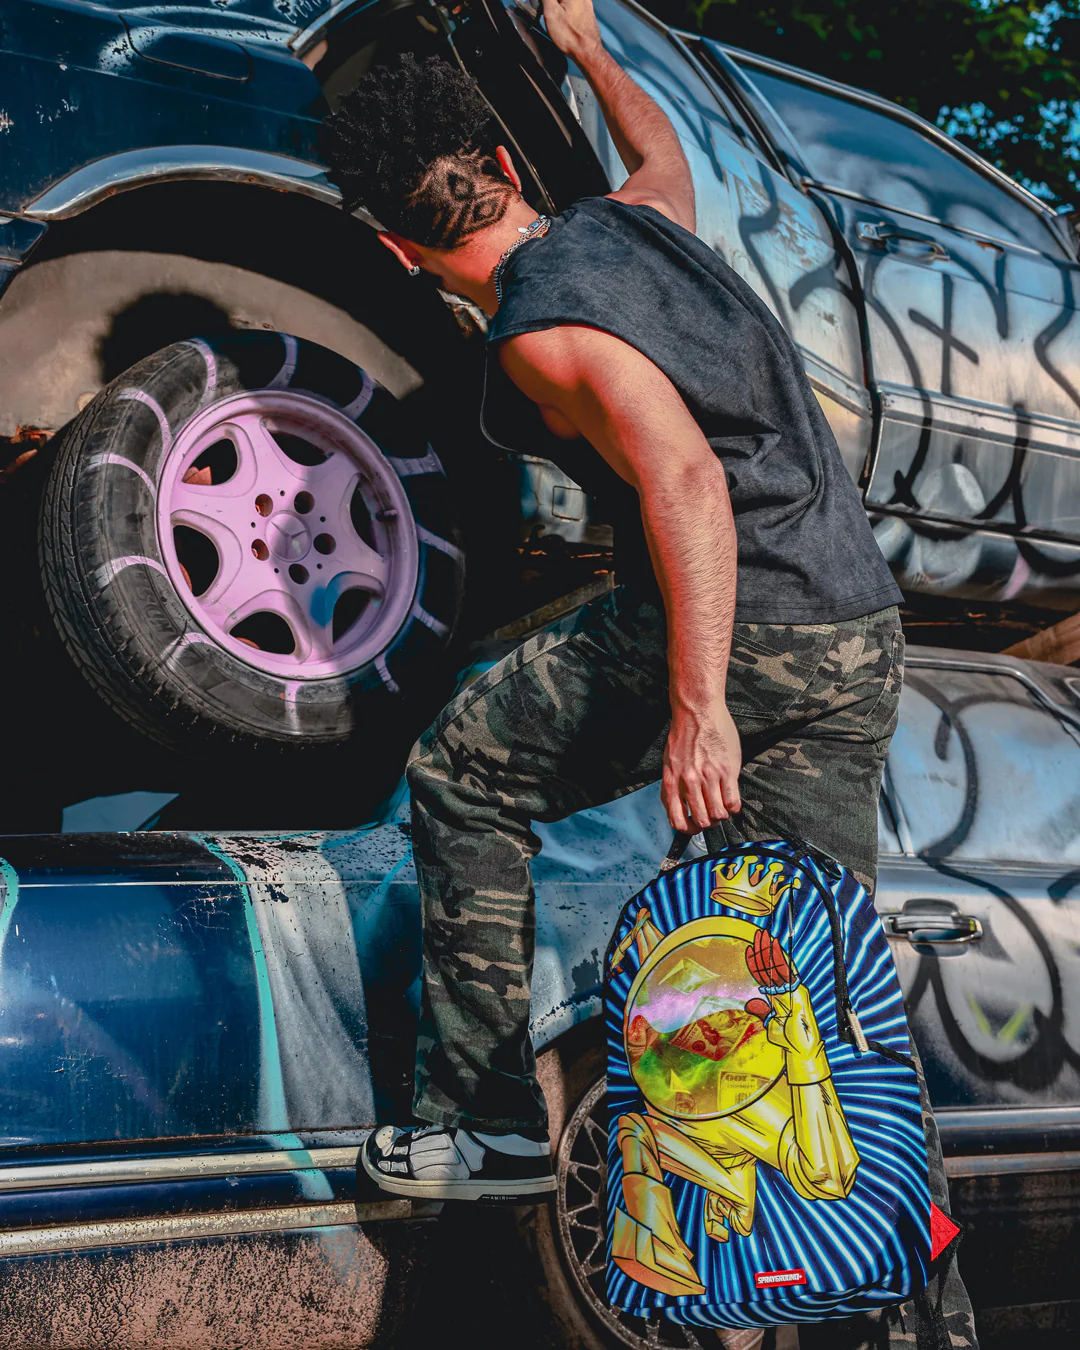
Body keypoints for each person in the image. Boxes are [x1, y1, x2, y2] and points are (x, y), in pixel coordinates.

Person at [321, 2, 976, 1344]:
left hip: (746, 626)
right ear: (504, 164)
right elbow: (663, 151)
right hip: (856, 626)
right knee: (813, 986)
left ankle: (486, 1120)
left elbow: (685, 481)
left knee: (465, 770)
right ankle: (917, 1319)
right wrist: (592, 52)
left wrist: (697, 706)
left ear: (396, 245)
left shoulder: (542, 331)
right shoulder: (636, 227)